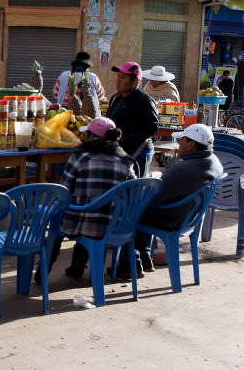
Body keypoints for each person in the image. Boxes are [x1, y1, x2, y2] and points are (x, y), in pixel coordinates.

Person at [38, 117, 137, 281]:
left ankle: (43, 272)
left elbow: (64, 191)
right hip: (117, 225)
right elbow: (132, 192)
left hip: (83, 222)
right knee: (89, 211)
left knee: (60, 216)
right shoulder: (126, 161)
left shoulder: (79, 157)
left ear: (91, 137)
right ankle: (77, 264)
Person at [127, 124, 223, 277]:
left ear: (191, 144)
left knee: (130, 211)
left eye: (182, 140)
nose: (179, 144)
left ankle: (130, 264)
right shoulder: (212, 160)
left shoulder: (184, 169)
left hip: (173, 218)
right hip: (189, 216)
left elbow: (155, 197)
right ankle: (144, 255)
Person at [106, 62, 159, 177]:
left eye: (123, 77)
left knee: (135, 189)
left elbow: (152, 126)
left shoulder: (144, 100)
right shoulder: (116, 98)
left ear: (135, 81)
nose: (118, 81)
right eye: (118, 77)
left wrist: (127, 141)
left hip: (138, 153)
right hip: (119, 151)